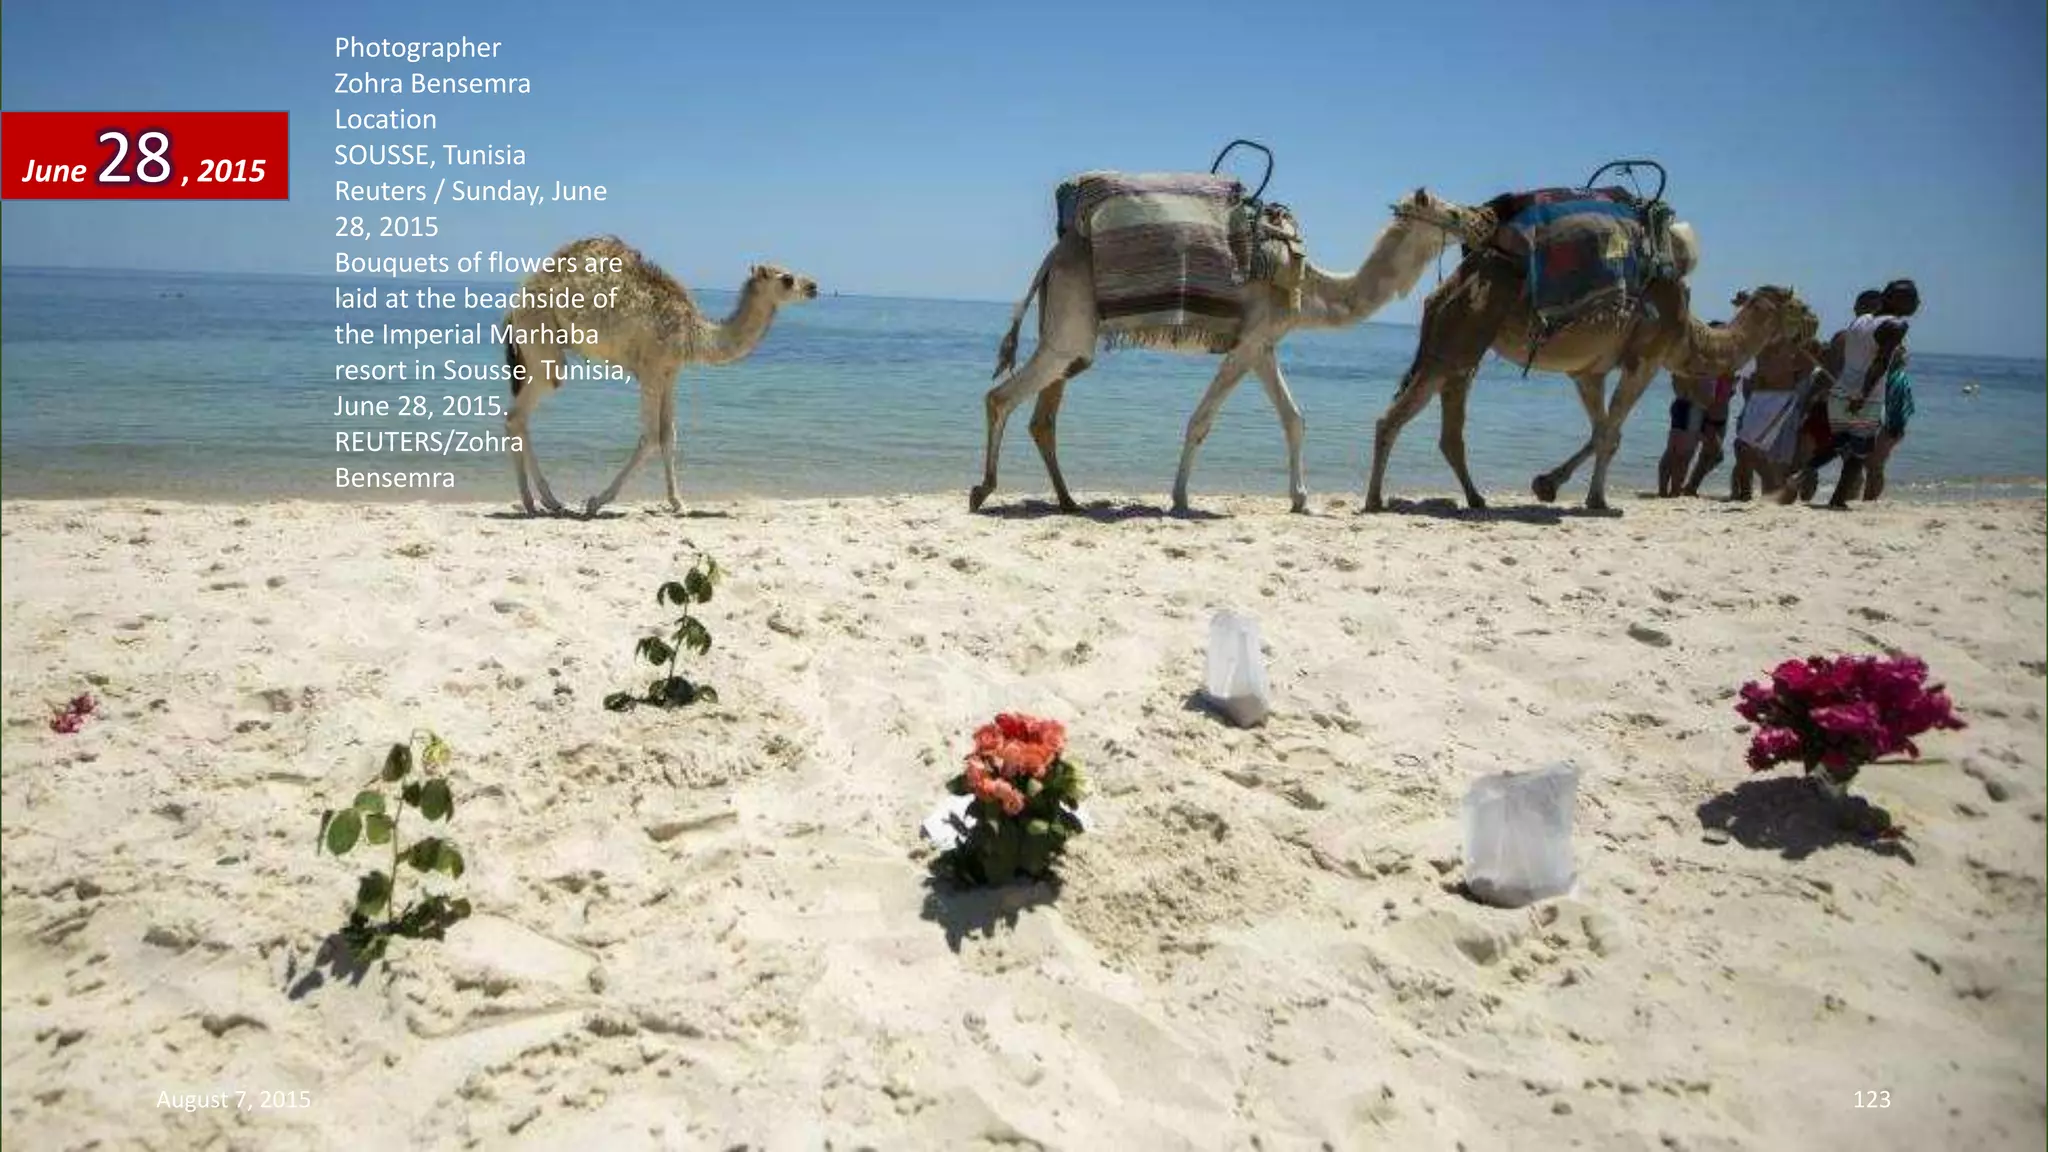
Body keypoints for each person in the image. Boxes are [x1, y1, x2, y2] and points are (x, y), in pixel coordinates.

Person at [1780, 280, 1917, 508]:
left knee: (1841, 441)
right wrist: (1863, 394)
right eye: (1912, 299)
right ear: (1897, 300)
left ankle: (1805, 473)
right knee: (1858, 453)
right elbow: (1880, 363)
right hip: (1865, 395)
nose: (1917, 304)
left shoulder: (1860, 321)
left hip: (1840, 391)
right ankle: (1836, 499)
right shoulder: (1895, 325)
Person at [1862, 358, 1915, 501]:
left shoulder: (1897, 378)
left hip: (1892, 426)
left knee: (1874, 464)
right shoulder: (1892, 376)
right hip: (1889, 425)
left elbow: (1899, 407)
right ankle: (1869, 497)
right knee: (1872, 463)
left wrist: (1894, 427)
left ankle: (1870, 498)